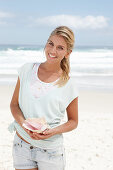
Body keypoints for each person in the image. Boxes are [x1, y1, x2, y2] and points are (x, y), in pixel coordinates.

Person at [8, 25, 79, 170]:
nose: (52, 51)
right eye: (50, 43)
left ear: (68, 53)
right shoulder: (27, 70)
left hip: (51, 152)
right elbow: (14, 105)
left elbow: (73, 121)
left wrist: (52, 131)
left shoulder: (68, 84)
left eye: (60, 47)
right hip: (22, 146)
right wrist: (24, 125)